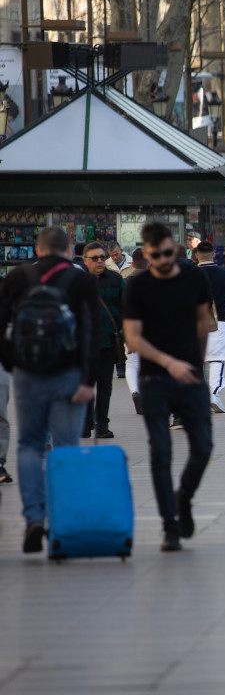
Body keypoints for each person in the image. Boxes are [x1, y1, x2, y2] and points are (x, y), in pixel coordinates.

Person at [0, 227, 100, 554]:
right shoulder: (81, 280)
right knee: (66, 447)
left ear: (37, 249)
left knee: (29, 446)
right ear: (70, 250)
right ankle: (63, 525)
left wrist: (12, 363)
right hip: (69, 375)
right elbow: (89, 330)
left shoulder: (17, 277)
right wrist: (88, 380)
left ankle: (33, 519)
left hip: (28, 374)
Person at [123, 221, 215, 552]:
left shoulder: (194, 276)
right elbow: (133, 338)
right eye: (155, 255)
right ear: (146, 254)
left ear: (174, 248)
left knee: (203, 446)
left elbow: (204, 321)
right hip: (155, 378)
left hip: (190, 375)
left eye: (167, 253)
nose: (163, 260)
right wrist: (168, 363)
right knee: (161, 452)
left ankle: (183, 497)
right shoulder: (137, 286)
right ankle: (169, 526)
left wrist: (196, 362)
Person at [195, 241, 225, 414]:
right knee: (217, 359)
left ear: (196, 255)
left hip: (194, 323)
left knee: (195, 361)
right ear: (214, 254)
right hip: (219, 322)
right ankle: (214, 395)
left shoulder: (191, 274)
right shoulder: (223, 273)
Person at [81, 241, 123, 439]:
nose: (99, 261)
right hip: (83, 343)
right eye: (95, 258)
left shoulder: (115, 279)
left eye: (102, 257)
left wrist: (129, 336)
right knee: (86, 384)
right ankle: (85, 424)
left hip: (108, 341)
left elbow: (125, 309)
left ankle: (102, 425)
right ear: (85, 260)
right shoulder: (77, 281)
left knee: (105, 385)